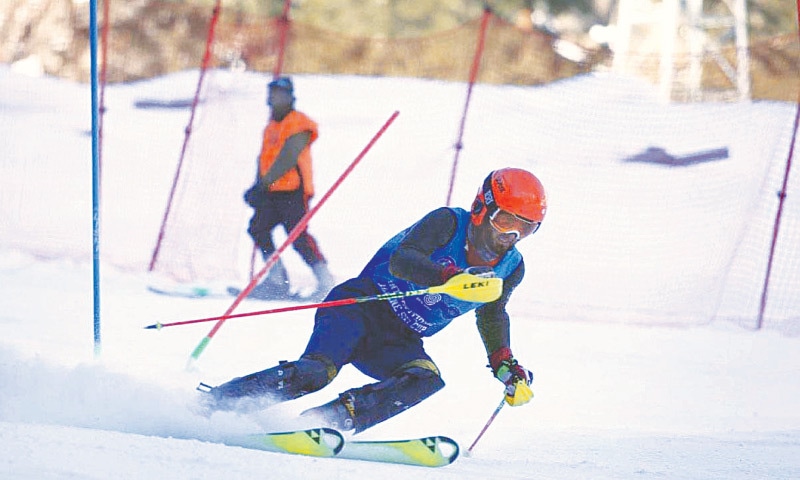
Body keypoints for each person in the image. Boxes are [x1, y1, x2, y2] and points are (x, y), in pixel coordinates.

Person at [204, 167, 546, 433]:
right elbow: (403, 260)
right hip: (359, 306)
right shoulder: (447, 223)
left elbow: (492, 315)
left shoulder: (511, 268)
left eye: (526, 228)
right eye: (505, 221)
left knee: (425, 377)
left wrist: (504, 362)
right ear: (481, 208)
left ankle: (324, 422)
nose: (510, 236)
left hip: (398, 339)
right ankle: (217, 403)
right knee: (315, 373)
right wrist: (449, 280)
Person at [242, 76, 334, 301]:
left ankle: (326, 283)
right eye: (273, 94)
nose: (276, 99)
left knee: (298, 237)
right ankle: (277, 280)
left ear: (291, 97)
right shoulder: (271, 126)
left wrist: (263, 185)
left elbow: (288, 157)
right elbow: (263, 159)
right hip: (272, 191)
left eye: (281, 94)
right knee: (258, 228)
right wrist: (257, 186)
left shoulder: (299, 122)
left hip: (294, 191)